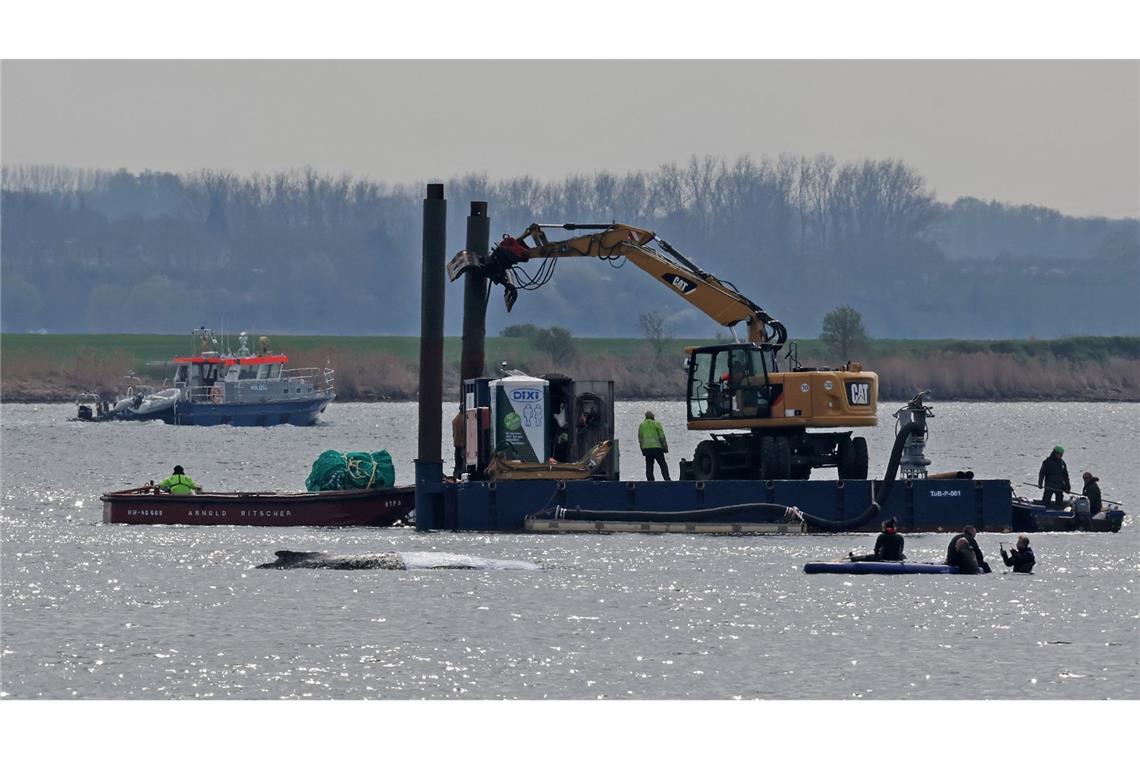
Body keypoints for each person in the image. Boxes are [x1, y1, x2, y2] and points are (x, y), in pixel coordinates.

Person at [638, 410, 670, 481]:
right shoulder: (657, 424)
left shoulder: (641, 425)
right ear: (653, 417)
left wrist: (642, 450)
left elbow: (640, 439)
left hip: (646, 449)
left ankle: (650, 480)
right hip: (657, 448)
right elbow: (662, 437)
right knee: (662, 464)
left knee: (649, 465)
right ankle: (667, 479)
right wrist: (665, 447)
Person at [451, 406, 465, 479]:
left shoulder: (455, 420)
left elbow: (453, 434)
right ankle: (460, 477)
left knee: (457, 464)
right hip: (463, 445)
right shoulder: (464, 420)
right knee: (463, 463)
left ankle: (455, 477)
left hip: (456, 444)